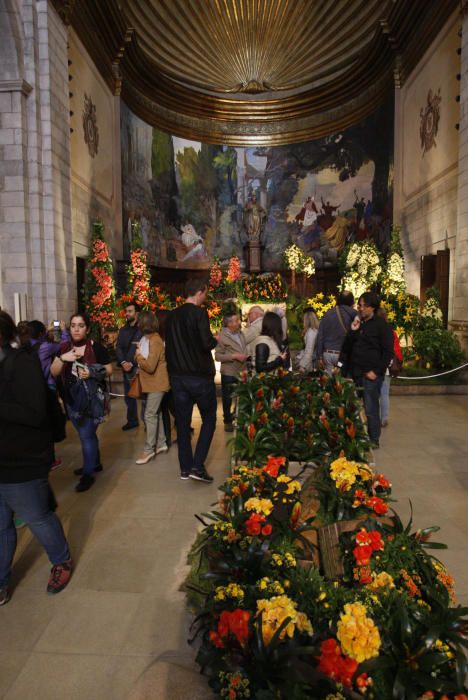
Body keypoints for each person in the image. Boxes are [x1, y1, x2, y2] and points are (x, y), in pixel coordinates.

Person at [0, 311, 72, 605]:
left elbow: (34, 413)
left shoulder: (22, 363)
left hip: (23, 460)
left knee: (38, 517)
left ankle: (61, 561)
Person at [50, 314, 112, 492]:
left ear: (87, 329)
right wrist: (63, 358)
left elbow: (108, 369)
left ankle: (88, 474)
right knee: (87, 436)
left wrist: (92, 372)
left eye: (81, 325)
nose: (76, 329)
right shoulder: (63, 348)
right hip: (71, 400)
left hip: (92, 400)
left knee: (86, 436)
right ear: (69, 328)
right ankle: (95, 463)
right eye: (73, 325)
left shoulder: (96, 348)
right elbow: (53, 372)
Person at [165, 279, 218, 482]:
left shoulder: (171, 316)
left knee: (183, 423)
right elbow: (206, 344)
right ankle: (197, 466)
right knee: (210, 419)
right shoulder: (199, 313)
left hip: (178, 378)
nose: (205, 298)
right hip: (199, 377)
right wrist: (216, 339)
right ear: (199, 292)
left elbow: (169, 345)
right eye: (205, 294)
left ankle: (185, 469)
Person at [338, 292, 394, 448]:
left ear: (372, 308)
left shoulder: (382, 326)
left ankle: (373, 438)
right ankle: (354, 436)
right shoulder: (357, 324)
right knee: (352, 408)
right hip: (355, 373)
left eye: (364, 306)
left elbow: (388, 352)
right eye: (359, 305)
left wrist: (376, 371)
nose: (360, 309)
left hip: (371, 375)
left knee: (370, 409)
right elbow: (347, 347)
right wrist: (353, 331)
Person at [133, 311, 170, 464]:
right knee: (157, 413)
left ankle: (149, 451)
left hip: (157, 383)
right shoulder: (148, 339)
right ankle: (161, 443)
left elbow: (149, 365)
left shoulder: (154, 340)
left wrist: (138, 356)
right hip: (153, 383)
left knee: (149, 414)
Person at [215, 311, 248, 432]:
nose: (238, 322)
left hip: (242, 371)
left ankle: (239, 418)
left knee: (242, 396)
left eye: (238, 320)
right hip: (229, 372)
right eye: (235, 320)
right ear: (228, 323)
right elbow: (217, 356)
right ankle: (227, 421)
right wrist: (233, 356)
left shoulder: (241, 334)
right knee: (227, 398)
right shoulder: (222, 336)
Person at [316, 292, 358, 375]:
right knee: (343, 384)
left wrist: (319, 356)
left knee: (329, 383)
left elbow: (320, 336)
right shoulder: (354, 314)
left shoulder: (328, 313)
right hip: (343, 355)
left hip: (328, 353)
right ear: (351, 301)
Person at [116, 302, 143, 431]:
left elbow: (141, 349)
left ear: (137, 313)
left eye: (130, 311)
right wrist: (123, 362)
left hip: (139, 367)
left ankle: (148, 423)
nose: (127, 314)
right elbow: (119, 347)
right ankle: (132, 420)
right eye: (126, 311)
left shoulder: (143, 329)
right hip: (126, 367)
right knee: (129, 396)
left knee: (144, 398)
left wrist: (132, 363)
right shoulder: (123, 329)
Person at [377, 307, 403, 428]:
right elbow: (397, 349)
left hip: (377, 366)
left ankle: (376, 418)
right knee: (385, 393)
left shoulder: (374, 331)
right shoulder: (391, 332)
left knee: (374, 393)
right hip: (388, 366)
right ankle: (385, 418)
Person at [297, 308, 319, 373]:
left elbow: (309, 350)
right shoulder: (315, 330)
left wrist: (302, 365)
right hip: (314, 360)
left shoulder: (311, 332)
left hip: (312, 362)